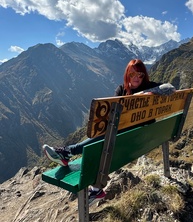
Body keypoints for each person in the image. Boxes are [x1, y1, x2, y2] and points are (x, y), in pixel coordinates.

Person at [43, 59, 173, 206]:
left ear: (144, 76)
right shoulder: (121, 90)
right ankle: (95, 187)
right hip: (128, 139)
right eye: (132, 74)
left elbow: (170, 88)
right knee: (105, 137)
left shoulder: (149, 86)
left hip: (136, 138)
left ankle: (68, 153)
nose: (136, 77)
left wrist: (146, 93)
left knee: (105, 137)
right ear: (127, 74)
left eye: (140, 74)